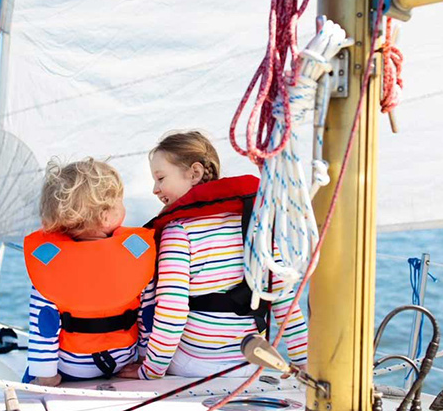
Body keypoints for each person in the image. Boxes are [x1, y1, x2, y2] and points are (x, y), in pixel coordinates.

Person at [119, 131, 308, 380]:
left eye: (161, 178)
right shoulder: (256, 222)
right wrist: (303, 362)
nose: (155, 189)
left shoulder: (179, 231)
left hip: (192, 363)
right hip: (247, 364)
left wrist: (150, 371)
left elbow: (172, 312)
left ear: (195, 173)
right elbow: (283, 298)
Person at [22, 158, 156, 386]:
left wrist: (45, 375)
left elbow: (44, 324)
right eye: (120, 202)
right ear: (106, 216)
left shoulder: (49, 260)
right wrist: (144, 359)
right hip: (122, 360)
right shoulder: (136, 251)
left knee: (27, 378)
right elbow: (147, 314)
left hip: (73, 367)